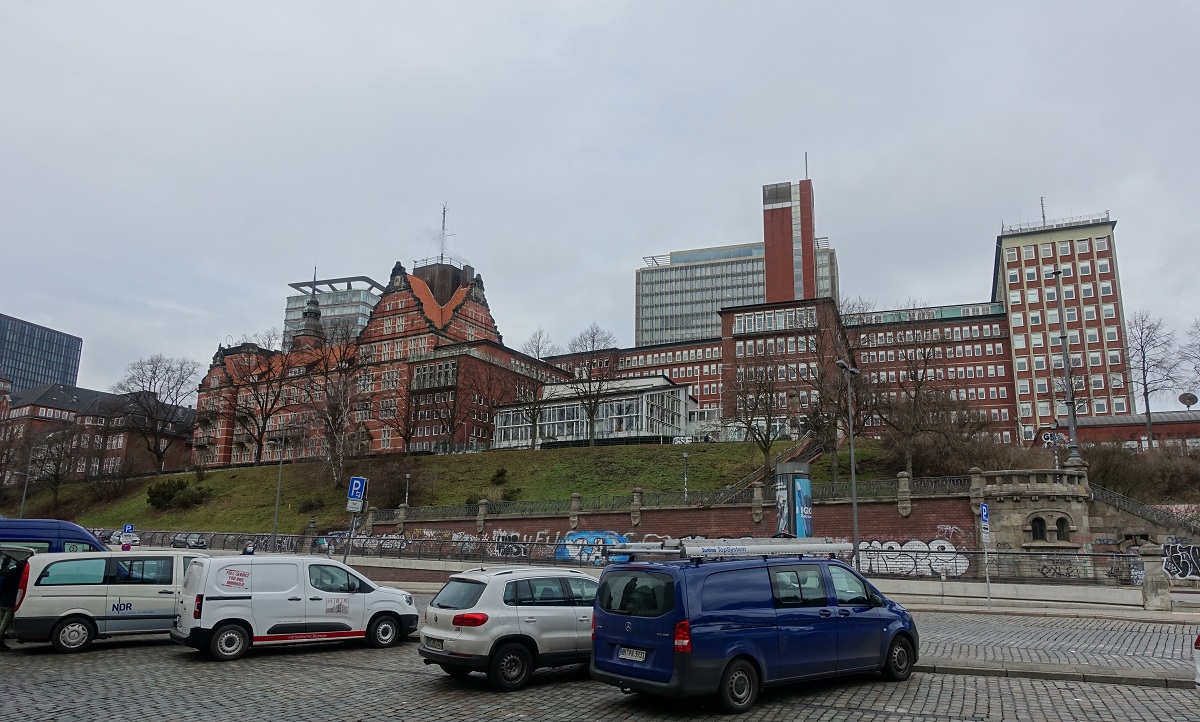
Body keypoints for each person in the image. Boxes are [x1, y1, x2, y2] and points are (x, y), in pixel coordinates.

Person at [0, 555, 27, 651]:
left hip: (3, 601)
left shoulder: (11, 573)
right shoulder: (21, 576)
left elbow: (3, 587)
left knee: (1, 622)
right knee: (4, 625)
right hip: (11, 603)